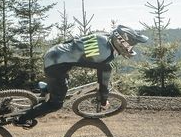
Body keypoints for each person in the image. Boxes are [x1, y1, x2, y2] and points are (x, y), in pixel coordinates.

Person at [13, 25, 148, 128]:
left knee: (64, 81)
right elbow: (103, 82)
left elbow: (76, 43)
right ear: (121, 42)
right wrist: (103, 100)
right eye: (130, 45)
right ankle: (22, 119)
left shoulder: (103, 37)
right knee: (56, 104)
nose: (131, 49)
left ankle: (47, 88)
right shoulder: (104, 55)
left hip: (55, 52)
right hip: (55, 66)